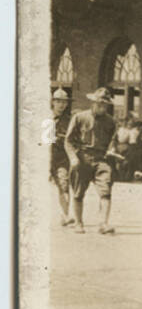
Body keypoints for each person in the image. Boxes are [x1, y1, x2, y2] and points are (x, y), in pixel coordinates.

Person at [65, 87, 118, 234]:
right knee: (78, 193)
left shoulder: (111, 122)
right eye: (99, 104)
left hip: (101, 160)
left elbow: (113, 141)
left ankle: (103, 223)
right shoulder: (80, 117)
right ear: (92, 103)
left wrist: (112, 150)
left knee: (106, 191)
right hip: (82, 158)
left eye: (105, 105)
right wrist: (73, 158)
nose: (102, 107)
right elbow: (68, 141)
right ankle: (78, 222)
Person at [49, 87, 73, 226]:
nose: (62, 105)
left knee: (64, 185)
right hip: (44, 157)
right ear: (53, 102)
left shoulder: (69, 121)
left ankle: (65, 215)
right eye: (58, 102)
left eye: (64, 102)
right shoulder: (44, 117)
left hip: (61, 159)